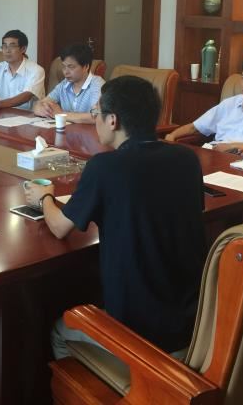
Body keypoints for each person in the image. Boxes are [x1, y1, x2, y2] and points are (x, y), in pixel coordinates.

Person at [26, 75, 207, 358]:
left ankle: (108, 383)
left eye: (96, 113)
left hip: (139, 333)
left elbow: (60, 227)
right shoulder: (187, 159)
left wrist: (44, 198)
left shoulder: (105, 167)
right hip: (193, 323)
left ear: (113, 120)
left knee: (60, 330)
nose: (95, 119)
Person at [165, 57, 243, 153]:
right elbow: (195, 127)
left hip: (242, 158)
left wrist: (233, 146)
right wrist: (172, 136)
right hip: (214, 152)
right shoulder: (230, 103)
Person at [33, 44, 104, 124]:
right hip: (67, 130)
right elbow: (41, 103)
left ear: (86, 67)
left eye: (71, 67)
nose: (65, 72)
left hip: (89, 131)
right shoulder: (64, 84)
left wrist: (60, 114)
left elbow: (96, 117)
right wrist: (39, 107)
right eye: (64, 67)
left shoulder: (97, 84)